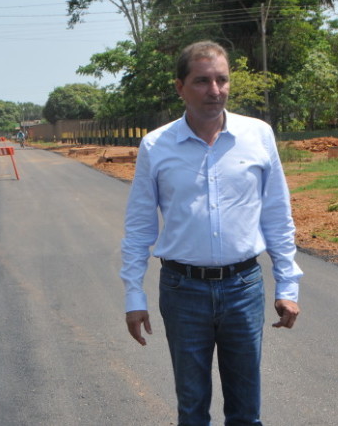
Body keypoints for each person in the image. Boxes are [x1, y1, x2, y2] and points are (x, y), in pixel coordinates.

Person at [120, 41, 303, 426]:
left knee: (246, 411)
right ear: (180, 87)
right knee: (191, 409)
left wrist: (288, 285)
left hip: (243, 288)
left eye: (222, 79)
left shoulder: (258, 135)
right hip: (182, 291)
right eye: (202, 81)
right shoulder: (156, 146)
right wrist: (134, 295)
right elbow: (139, 226)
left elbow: (277, 214)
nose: (214, 90)